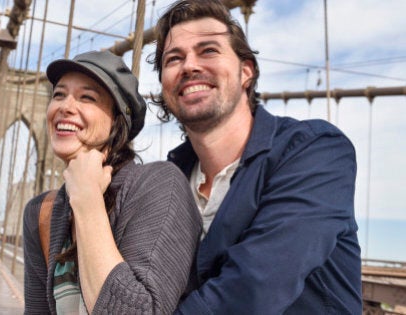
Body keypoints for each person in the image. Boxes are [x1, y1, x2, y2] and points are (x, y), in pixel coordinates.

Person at [150, 0, 362, 314]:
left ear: (246, 71)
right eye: (174, 58)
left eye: (208, 50)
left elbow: (253, 290)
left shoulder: (315, 152)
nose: (189, 66)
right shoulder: (167, 181)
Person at [23, 50, 202, 314]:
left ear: (118, 120)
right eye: (59, 94)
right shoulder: (42, 213)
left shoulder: (160, 185)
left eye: (87, 97)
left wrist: (87, 201)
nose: (65, 107)